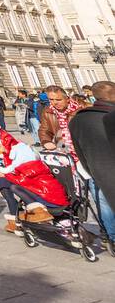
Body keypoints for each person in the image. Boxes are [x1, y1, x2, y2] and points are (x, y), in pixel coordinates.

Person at [69, 81, 115, 243]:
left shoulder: (77, 120)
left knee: (104, 205)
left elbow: (78, 149)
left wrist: (90, 170)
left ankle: (112, 238)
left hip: (98, 171)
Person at [38, 87, 87, 153]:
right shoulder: (48, 111)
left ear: (67, 99)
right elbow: (44, 129)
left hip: (83, 147)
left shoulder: (82, 109)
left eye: (58, 100)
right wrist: (46, 141)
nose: (55, 102)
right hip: (62, 146)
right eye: (51, 99)